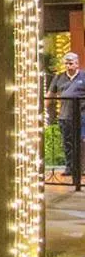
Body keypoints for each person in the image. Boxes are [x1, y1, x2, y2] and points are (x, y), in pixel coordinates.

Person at [49, 52, 85, 182]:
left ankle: (81, 168)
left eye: (71, 63)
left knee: (81, 142)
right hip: (64, 116)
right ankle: (70, 168)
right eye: (66, 63)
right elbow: (50, 94)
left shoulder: (83, 76)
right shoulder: (59, 77)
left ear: (77, 63)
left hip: (81, 116)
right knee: (67, 143)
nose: (68, 66)